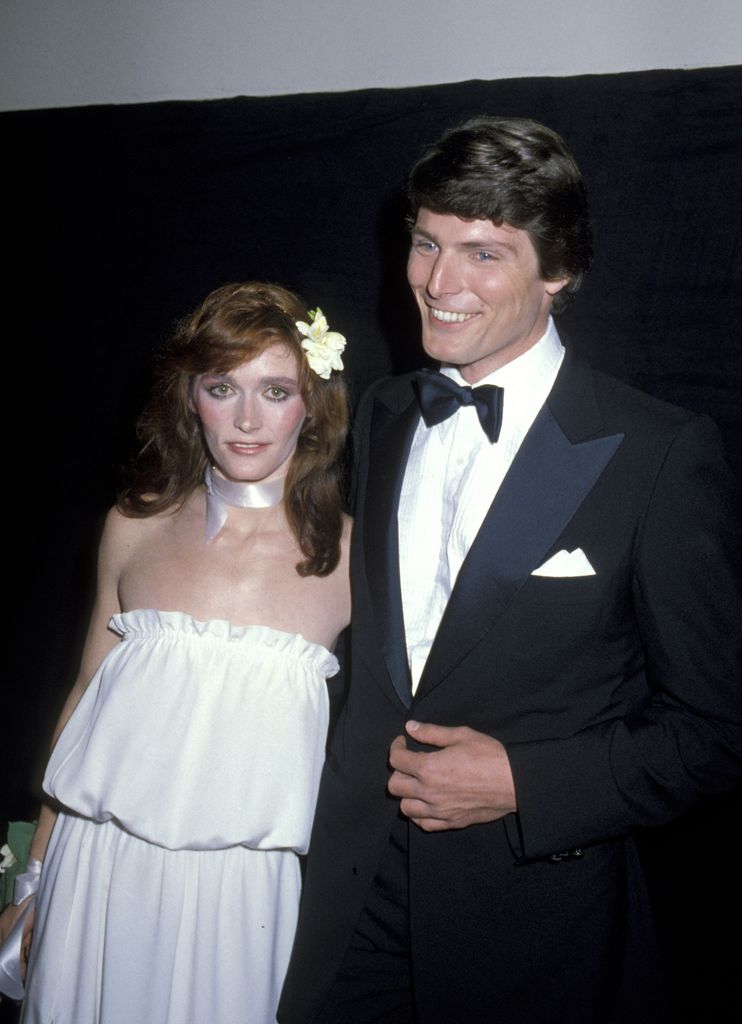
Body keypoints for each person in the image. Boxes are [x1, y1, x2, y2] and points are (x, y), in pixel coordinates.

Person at [277, 117, 742, 1023]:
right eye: (426, 243)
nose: (439, 284)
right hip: (345, 906)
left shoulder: (656, 454)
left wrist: (526, 782)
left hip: (533, 935)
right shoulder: (382, 415)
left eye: (483, 254)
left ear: (557, 272)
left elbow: (718, 731)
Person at [0, 281, 351, 1023]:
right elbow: (86, 694)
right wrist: (31, 879)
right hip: (97, 867)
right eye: (224, 388)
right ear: (191, 397)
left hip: (243, 893)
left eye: (276, 390)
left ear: (312, 403)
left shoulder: (355, 556)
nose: (248, 419)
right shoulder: (134, 525)